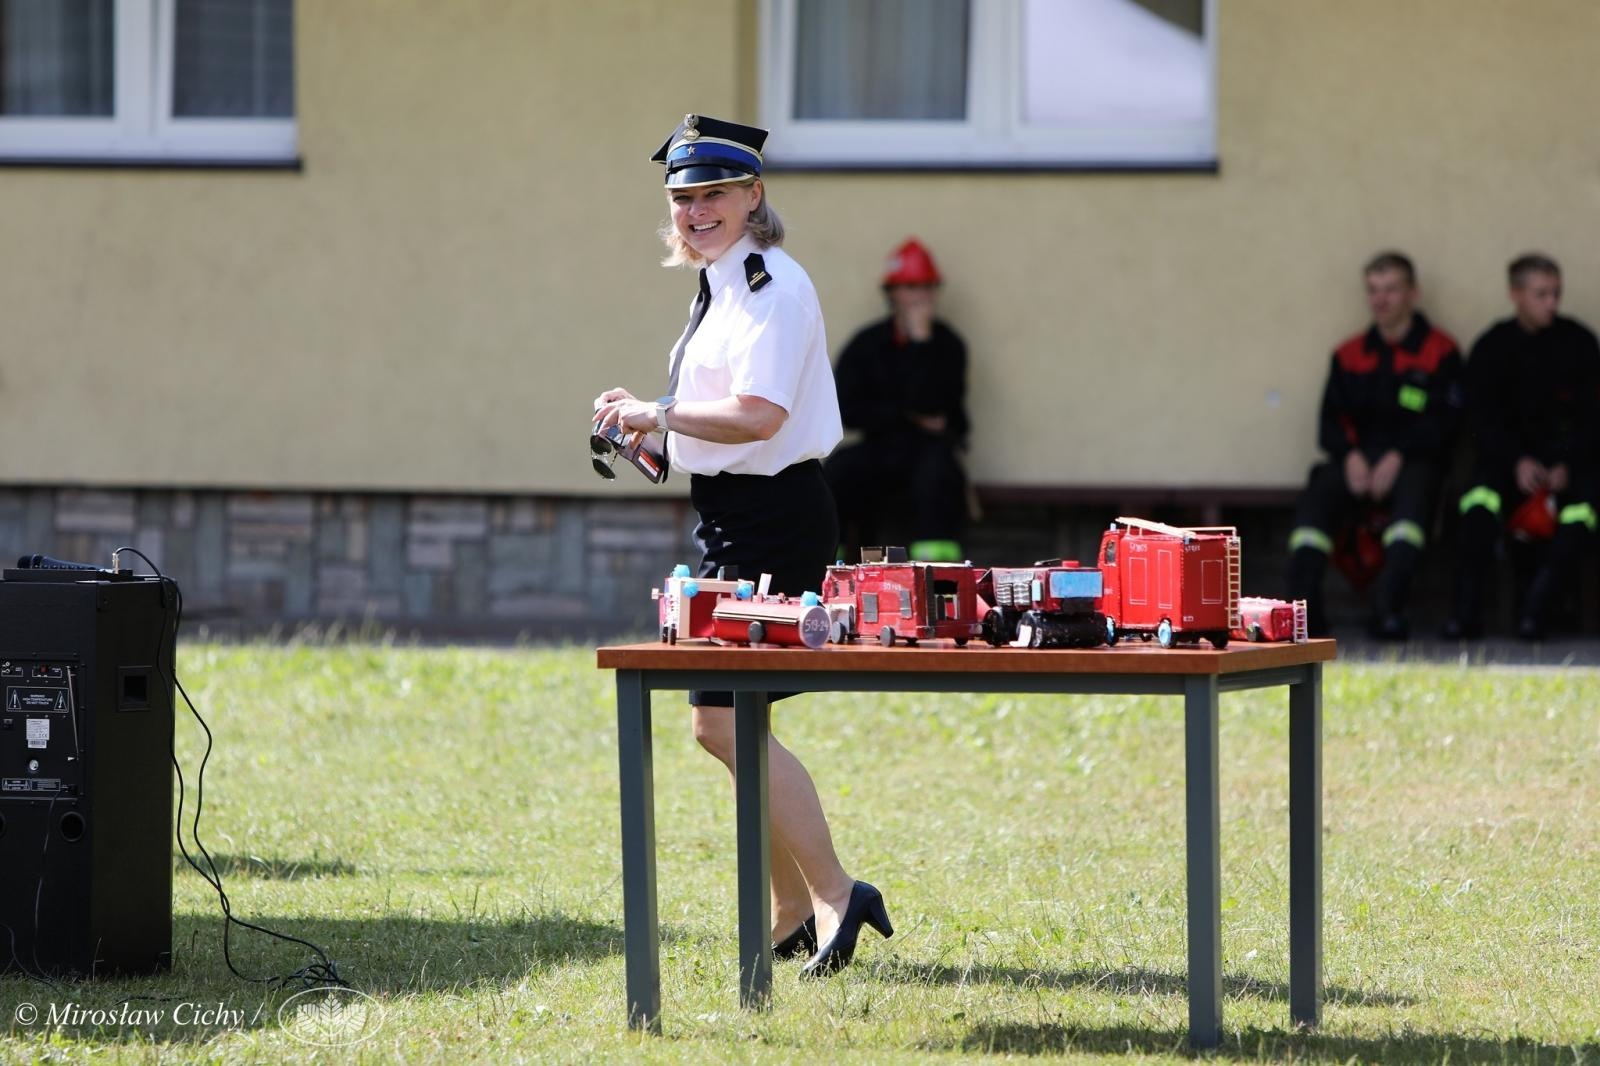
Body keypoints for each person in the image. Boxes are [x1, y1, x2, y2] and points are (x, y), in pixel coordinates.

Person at [591, 114, 892, 977]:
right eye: (683, 198)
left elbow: (762, 418)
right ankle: (796, 905)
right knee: (724, 720)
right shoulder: (724, 283)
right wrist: (648, 431)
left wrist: (662, 412)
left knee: (724, 719)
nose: (694, 212)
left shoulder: (770, 284)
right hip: (732, 510)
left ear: (754, 196)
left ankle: (835, 894)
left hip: (775, 516)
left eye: (712, 194)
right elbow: (723, 425)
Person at [1285, 251, 1464, 639]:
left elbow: (1445, 423)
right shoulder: (1350, 354)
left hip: (1412, 464)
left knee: (1414, 499)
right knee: (1318, 493)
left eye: (1391, 289)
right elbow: (1329, 421)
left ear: (1413, 294)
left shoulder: (1440, 351)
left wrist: (1398, 457)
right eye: (1373, 290)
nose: (1381, 299)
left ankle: (1388, 610)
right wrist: (1350, 457)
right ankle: (1303, 613)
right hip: (1358, 465)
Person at [1443, 253, 1600, 640]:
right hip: (1508, 468)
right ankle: (1465, 617)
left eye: (1555, 293)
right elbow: (1481, 419)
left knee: (1581, 516)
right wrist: (1516, 461)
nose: (1552, 303)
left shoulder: (1579, 344)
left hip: (1569, 471)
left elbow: (1593, 417)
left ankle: (1537, 613)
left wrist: (1566, 464)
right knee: (1477, 506)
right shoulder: (1492, 348)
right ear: (1516, 294)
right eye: (1541, 294)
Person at [823, 239, 971, 563]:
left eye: (926, 287)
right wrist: (905, 415)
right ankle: (827, 569)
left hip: (929, 449)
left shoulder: (947, 345)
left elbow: (933, 405)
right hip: (880, 444)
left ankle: (938, 578)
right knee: (836, 474)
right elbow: (846, 408)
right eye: (909, 287)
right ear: (892, 293)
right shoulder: (867, 343)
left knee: (938, 479)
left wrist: (921, 344)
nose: (919, 296)